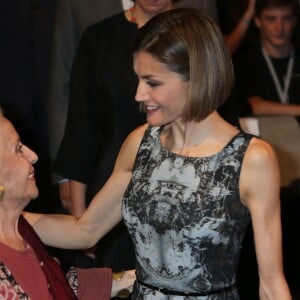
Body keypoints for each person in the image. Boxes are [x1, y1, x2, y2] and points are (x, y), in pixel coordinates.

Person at [26, 8, 291, 299]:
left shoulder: (252, 159)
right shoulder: (139, 143)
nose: (139, 94)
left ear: (196, 77)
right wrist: (7, 215)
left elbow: (270, 284)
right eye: (138, 79)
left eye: (153, 82)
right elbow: (84, 230)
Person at [0, 108, 114, 299]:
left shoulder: (20, 228)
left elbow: (48, 286)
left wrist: (133, 280)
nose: (33, 156)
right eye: (18, 148)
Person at [231, 0, 300, 122]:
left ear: (294, 21)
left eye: (286, 19)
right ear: (258, 21)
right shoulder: (245, 62)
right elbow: (255, 106)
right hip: (263, 136)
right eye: (271, 19)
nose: (279, 27)